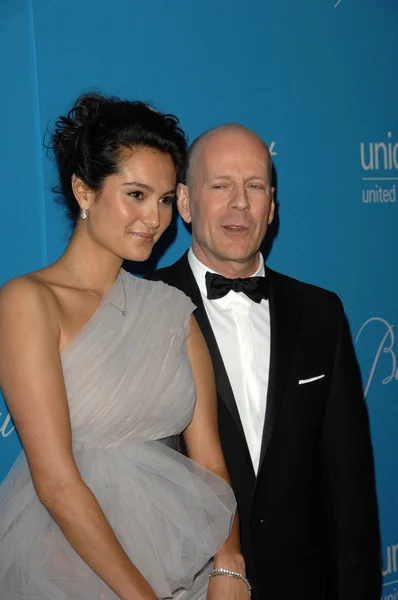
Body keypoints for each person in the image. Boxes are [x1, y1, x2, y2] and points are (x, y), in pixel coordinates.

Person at [0, 95, 253, 600]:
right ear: (83, 191)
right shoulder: (28, 302)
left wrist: (230, 563)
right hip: (69, 572)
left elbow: (209, 463)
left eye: (163, 200)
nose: (155, 219)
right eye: (136, 194)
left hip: (180, 563)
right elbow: (56, 482)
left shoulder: (170, 310)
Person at [146, 124, 382, 599]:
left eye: (254, 187)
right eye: (221, 186)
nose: (240, 203)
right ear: (186, 203)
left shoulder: (321, 313)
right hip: (186, 586)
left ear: (271, 207)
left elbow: (349, 487)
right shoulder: (142, 309)